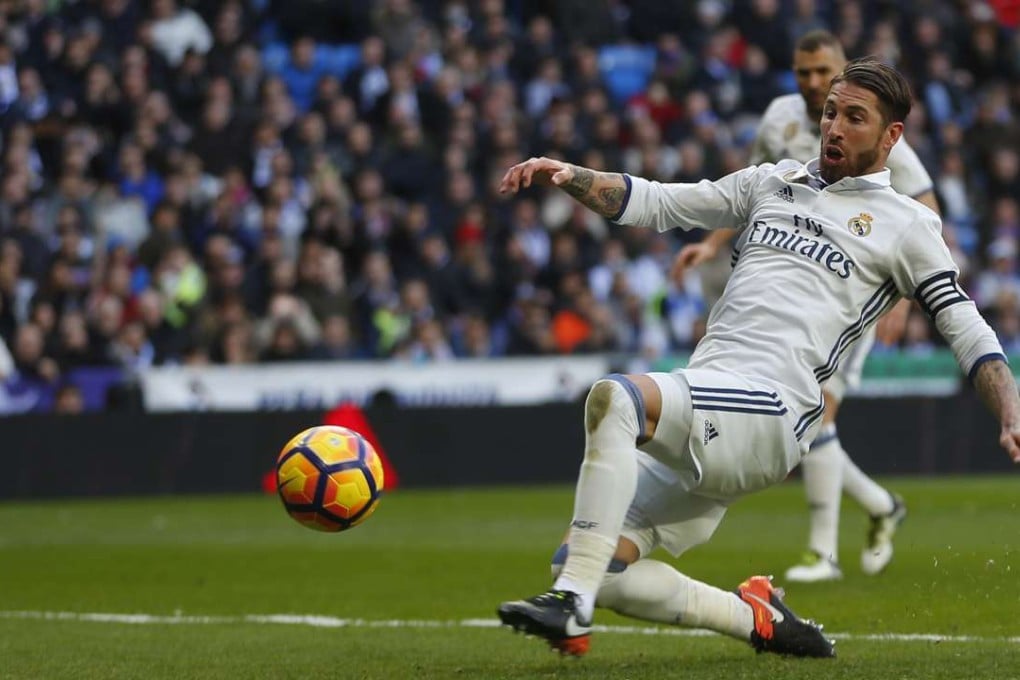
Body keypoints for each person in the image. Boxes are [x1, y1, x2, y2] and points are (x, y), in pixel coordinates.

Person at [495, 59, 1019, 659]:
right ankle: (752, 617)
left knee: (616, 399)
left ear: (891, 137)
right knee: (597, 565)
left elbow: (965, 325)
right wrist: (570, 174)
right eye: (830, 113)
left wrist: (1009, 406)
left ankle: (568, 604)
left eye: (855, 118)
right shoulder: (773, 181)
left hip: (775, 408)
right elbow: (663, 203)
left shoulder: (907, 225)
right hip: (712, 393)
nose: (835, 129)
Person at [672, 30, 939, 583]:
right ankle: (880, 506)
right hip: (788, 279)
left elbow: (924, 206)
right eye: (804, 72)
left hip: (848, 287)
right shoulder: (779, 120)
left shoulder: (878, 131)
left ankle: (825, 551)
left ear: (841, 68)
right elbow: (746, 191)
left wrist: (904, 301)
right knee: (809, 418)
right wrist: (713, 243)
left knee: (814, 412)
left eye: (823, 71)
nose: (813, 82)